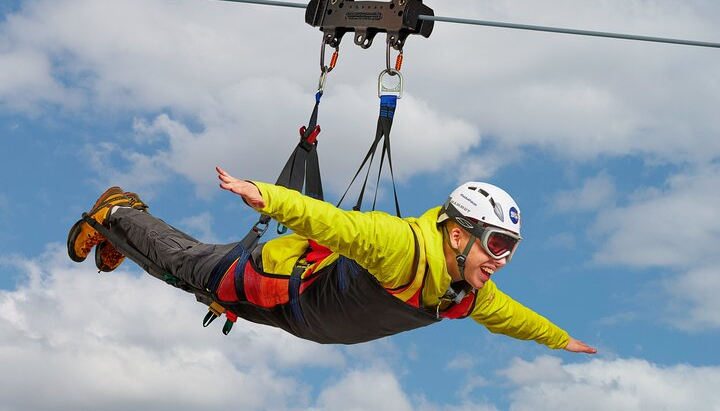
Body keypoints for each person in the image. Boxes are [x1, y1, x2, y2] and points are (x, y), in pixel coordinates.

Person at [67, 166, 596, 353]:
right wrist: (266, 196)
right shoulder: (400, 247)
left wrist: (561, 339)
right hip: (274, 285)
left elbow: (511, 318)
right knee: (189, 271)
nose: (503, 260)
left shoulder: (465, 292)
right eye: (497, 245)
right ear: (459, 235)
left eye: (512, 248)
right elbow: (333, 223)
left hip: (298, 317)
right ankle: (117, 212)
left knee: (189, 271)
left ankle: (121, 227)